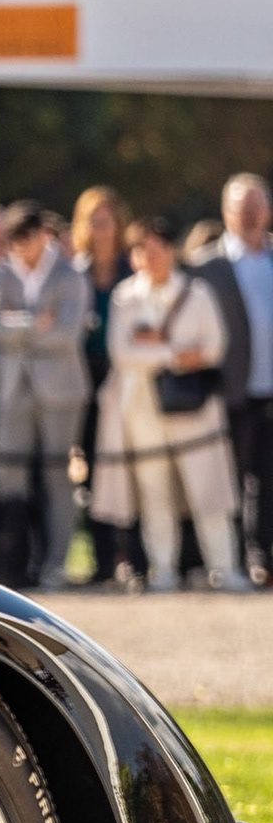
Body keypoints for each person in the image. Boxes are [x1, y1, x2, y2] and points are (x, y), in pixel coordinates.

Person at [93, 219, 247, 593]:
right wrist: (177, 352)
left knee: (208, 489)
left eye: (159, 247)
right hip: (142, 408)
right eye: (144, 249)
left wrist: (153, 346)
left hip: (193, 407)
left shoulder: (198, 293)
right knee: (153, 491)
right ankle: (163, 571)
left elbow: (214, 348)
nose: (152, 256)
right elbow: (122, 353)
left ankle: (225, 569)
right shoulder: (124, 296)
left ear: (172, 250)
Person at [0, 201, 91, 590]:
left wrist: (13, 329)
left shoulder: (70, 274)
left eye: (25, 240)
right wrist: (33, 324)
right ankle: (17, 562)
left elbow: (67, 333)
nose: (20, 250)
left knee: (58, 477)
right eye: (14, 243)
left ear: (43, 234)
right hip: (12, 391)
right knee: (10, 476)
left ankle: (56, 563)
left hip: (61, 391)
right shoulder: (2, 273)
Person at [188, 173, 273, 582]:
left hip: (270, 391)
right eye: (243, 208)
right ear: (226, 213)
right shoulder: (207, 267)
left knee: (269, 484)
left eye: (257, 207)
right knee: (230, 483)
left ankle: (263, 559)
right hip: (230, 392)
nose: (251, 215)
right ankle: (230, 559)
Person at [72, 186, 134, 584]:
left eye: (106, 221)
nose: (100, 230)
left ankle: (133, 557)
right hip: (83, 378)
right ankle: (100, 556)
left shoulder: (133, 269)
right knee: (93, 470)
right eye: (93, 222)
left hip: (126, 377)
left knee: (130, 466)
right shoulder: (73, 273)